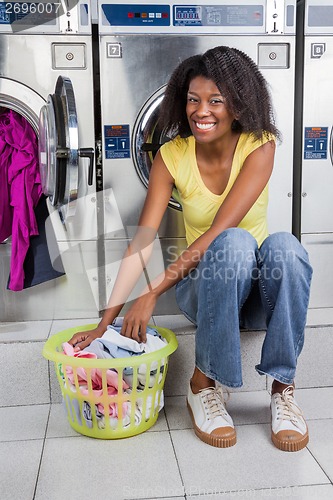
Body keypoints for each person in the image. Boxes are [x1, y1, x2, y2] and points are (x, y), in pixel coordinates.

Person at [69, 46, 312, 451]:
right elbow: (143, 240)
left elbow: (220, 228)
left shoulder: (261, 145)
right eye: (193, 99)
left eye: (216, 100)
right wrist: (104, 322)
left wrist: (151, 293)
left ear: (238, 104)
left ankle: (282, 391)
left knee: (285, 247)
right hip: (205, 292)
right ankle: (203, 385)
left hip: (256, 295)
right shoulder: (172, 155)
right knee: (234, 245)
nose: (202, 111)